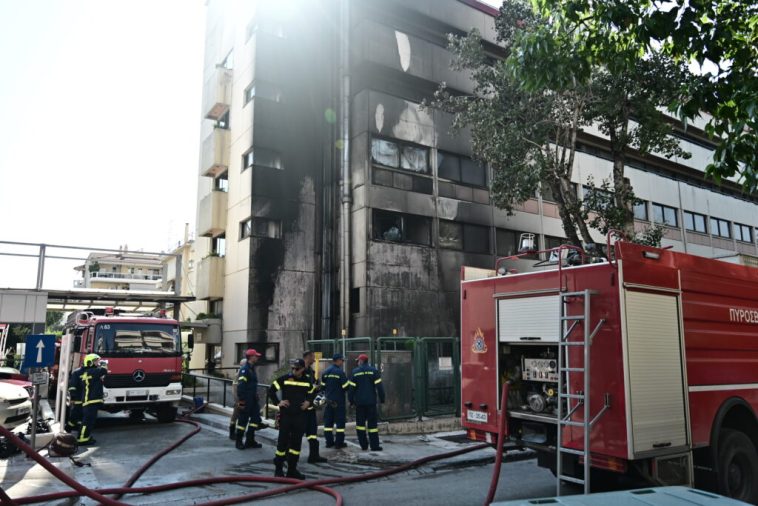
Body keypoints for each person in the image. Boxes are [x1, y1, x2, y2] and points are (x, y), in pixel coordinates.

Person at [268, 358, 316, 479]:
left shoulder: (307, 381)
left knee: (296, 445)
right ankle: (278, 469)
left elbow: (312, 392)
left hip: (300, 416)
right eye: (293, 368)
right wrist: (278, 402)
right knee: (282, 444)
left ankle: (292, 470)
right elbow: (271, 390)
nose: (294, 370)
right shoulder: (285, 379)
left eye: (297, 368)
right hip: (286, 416)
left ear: (303, 369)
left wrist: (308, 402)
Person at [349, 353, 385, 451]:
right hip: (371, 403)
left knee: (360, 425)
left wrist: (351, 401)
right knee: (372, 425)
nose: (357, 363)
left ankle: (363, 445)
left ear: (361, 361)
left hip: (359, 403)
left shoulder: (355, 372)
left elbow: (351, 389)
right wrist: (382, 398)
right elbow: (380, 387)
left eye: (358, 361)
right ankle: (374, 446)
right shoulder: (373, 371)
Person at [302, 350, 327, 464]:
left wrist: (318, 388)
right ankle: (288, 457)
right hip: (301, 408)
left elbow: (314, 386)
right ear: (307, 357)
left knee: (312, 433)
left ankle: (313, 456)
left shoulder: (311, 371)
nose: (314, 359)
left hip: (310, 408)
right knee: (296, 434)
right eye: (313, 357)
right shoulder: (300, 370)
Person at [235, 348, 263, 450]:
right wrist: (242, 400)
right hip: (246, 399)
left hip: (253, 399)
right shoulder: (245, 369)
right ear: (251, 357)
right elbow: (241, 385)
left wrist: (255, 394)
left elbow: (251, 384)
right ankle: (238, 442)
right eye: (256, 356)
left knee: (255, 418)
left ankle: (250, 440)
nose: (257, 357)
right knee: (243, 421)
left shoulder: (252, 368)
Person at [77, 353, 108, 446]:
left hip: (91, 400)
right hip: (90, 400)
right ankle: (81, 439)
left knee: (90, 421)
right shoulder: (92, 371)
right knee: (87, 421)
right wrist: (104, 364)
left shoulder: (89, 372)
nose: (98, 363)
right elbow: (103, 370)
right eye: (96, 361)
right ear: (89, 362)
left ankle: (85, 437)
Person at [321, 353, 350, 449]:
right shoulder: (340, 372)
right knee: (340, 423)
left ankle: (329, 442)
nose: (342, 362)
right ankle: (339, 443)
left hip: (328, 401)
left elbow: (322, 387)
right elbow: (346, 387)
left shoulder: (325, 372)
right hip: (338, 401)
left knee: (328, 423)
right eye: (342, 360)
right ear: (338, 360)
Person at [229, 356, 248, 440]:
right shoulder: (240, 374)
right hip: (239, 399)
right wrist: (238, 401)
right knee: (235, 416)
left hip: (242, 398)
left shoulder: (242, 373)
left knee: (238, 416)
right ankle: (232, 433)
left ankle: (236, 433)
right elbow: (235, 388)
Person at [66, 364, 84, 434]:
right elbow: (72, 386)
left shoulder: (88, 372)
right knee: (75, 414)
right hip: (78, 398)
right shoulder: (77, 372)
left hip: (84, 398)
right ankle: (68, 428)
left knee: (81, 415)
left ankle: (79, 428)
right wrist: (73, 397)